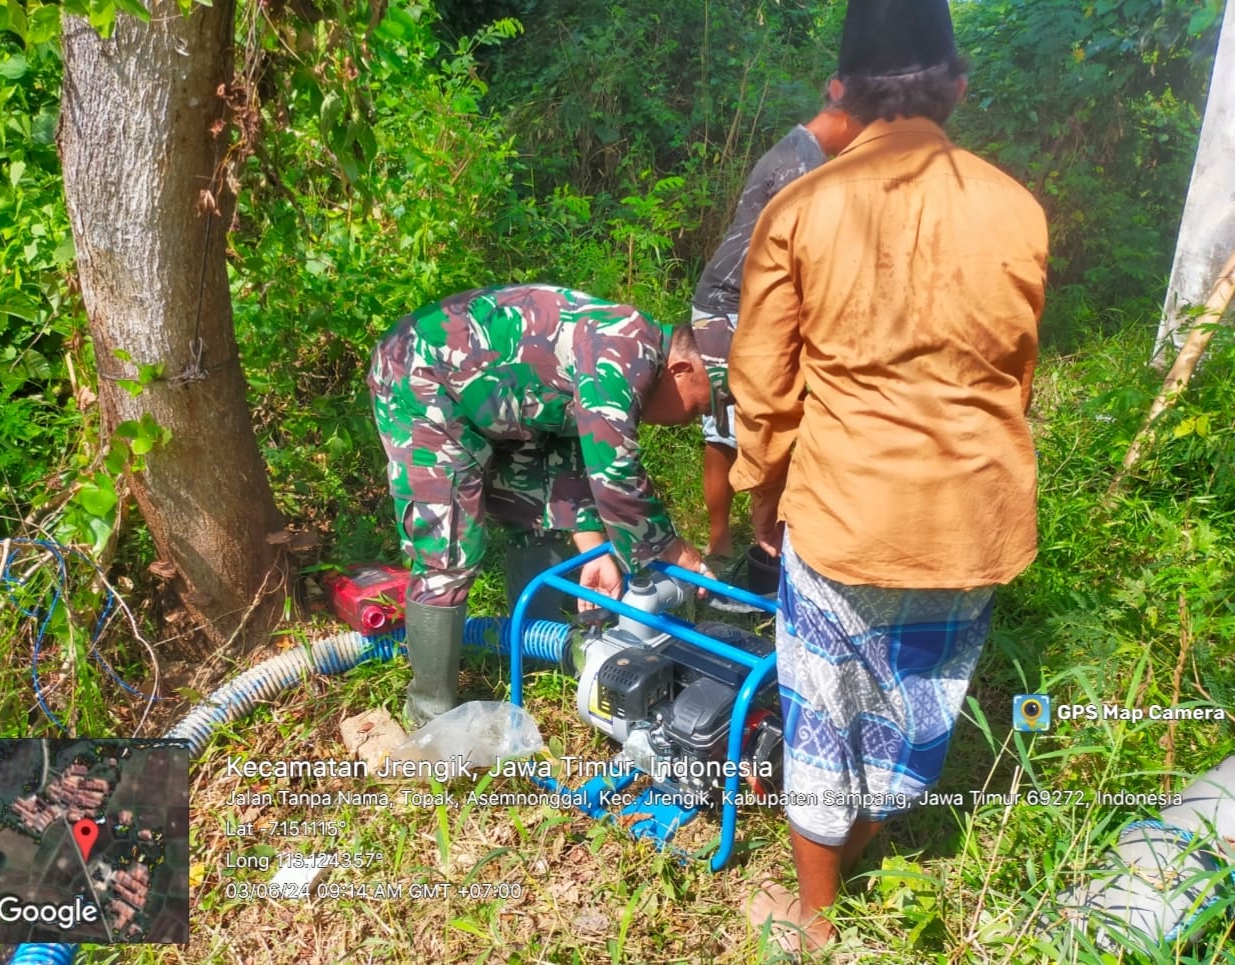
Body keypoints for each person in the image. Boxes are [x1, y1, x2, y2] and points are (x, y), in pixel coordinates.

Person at [729, 0, 1048, 951]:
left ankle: (817, 920)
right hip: (974, 519)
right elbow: (1014, 375)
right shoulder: (1018, 207)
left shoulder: (802, 206)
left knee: (825, 716)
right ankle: (878, 829)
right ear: (956, 86)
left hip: (844, 515)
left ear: (845, 92)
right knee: (921, 702)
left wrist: (763, 494)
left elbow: (762, 382)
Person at [368, 284, 732, 727]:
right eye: (697, 408)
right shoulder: (623, 353)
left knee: (534, 513)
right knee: (448, 550)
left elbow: (573, 449)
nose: (688, 421)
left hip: (496, 404)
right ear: (680, 367)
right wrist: (673, 550)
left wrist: (591, 544)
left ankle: (536, 649)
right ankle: (428, 718)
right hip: (421, 379)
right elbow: (614, 471)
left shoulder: (633, 351)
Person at [691, 101, 864, 562]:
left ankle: (754, 539)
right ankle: (723, 546)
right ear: (845, 115)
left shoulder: (800, 152)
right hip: (729, 304)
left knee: (744, 422)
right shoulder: (802, 167)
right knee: (728, 427)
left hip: (741, 302)